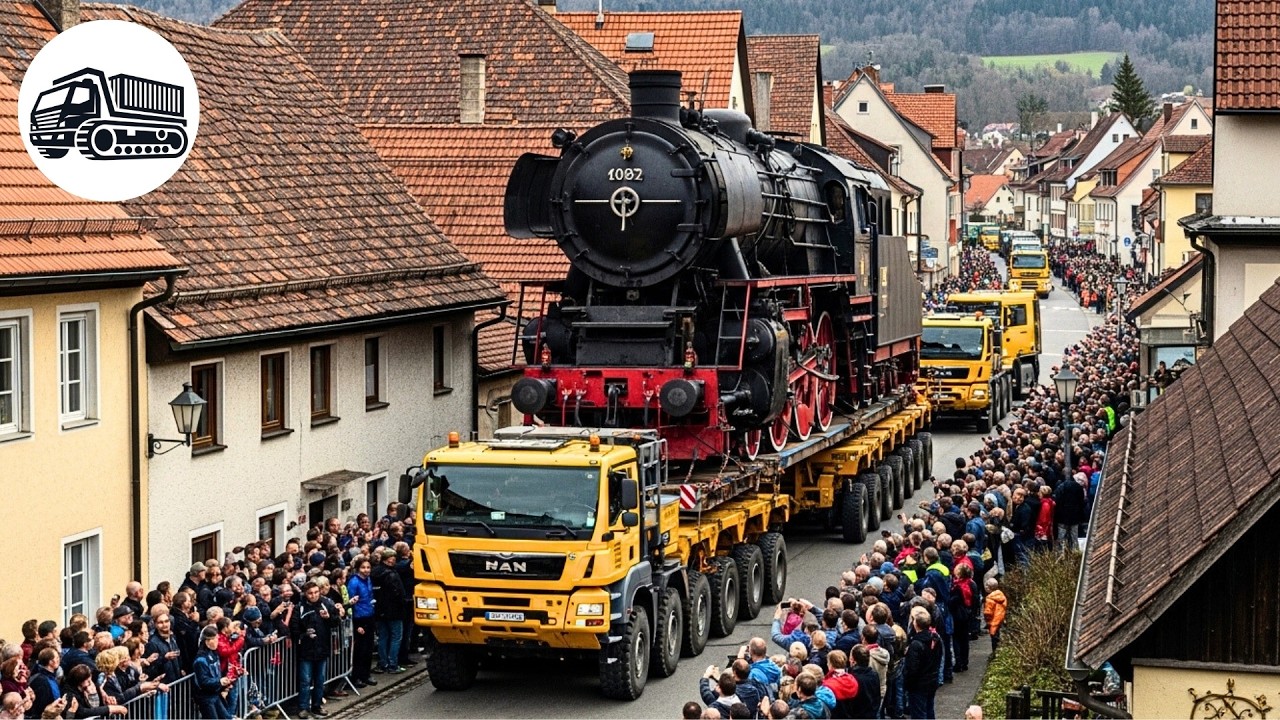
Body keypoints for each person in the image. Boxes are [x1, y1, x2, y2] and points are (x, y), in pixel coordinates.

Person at [290, 581, 339, 718]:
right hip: (306, 650)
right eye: (310, 593)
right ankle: (303, 707)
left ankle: (317, 705)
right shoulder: (300, 607)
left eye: (316, 592)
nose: (314, 595)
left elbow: (336, 621)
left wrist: (328, 617)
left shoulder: (326, 603)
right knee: (305, 680)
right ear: (305, 594)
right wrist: (305, 634)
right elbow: (294, 628)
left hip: (322, 647)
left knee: (320, 680)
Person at [370, 548, 406, 674]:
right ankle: (393, 664)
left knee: (383, 637)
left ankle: (383, 663)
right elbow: (398, 594)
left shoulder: (374, 573)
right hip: (394, 611)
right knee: (396, 637)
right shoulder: (392, 574)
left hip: (379, 610)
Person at [903, 610, 941, 720]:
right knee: (929, 710)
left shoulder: (916, 644)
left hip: (918, 685)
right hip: (931, 680)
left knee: (919, 714)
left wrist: (908, 683)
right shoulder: (935, 638)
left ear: (916, 624)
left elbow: (912, 668)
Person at [193, 625, 231, 719]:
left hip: (215, 694)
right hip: (206, 697)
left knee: (226, 717)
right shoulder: (200, 660)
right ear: (207, 641)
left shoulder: (214, 654)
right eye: (215, 639)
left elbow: (218, 673)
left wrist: (224, 685)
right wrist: (219, 682)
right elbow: (203, 681)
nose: (218, 641)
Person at [983, 578, 1007, 654]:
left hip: (993, 620)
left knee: (993, 637)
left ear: (988, 588)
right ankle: (998, 651)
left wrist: (987, 620)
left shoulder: (989, 599)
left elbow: (988, 612)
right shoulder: (1001, 596)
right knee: (997, 636)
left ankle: (995, 653)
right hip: (999, 618)